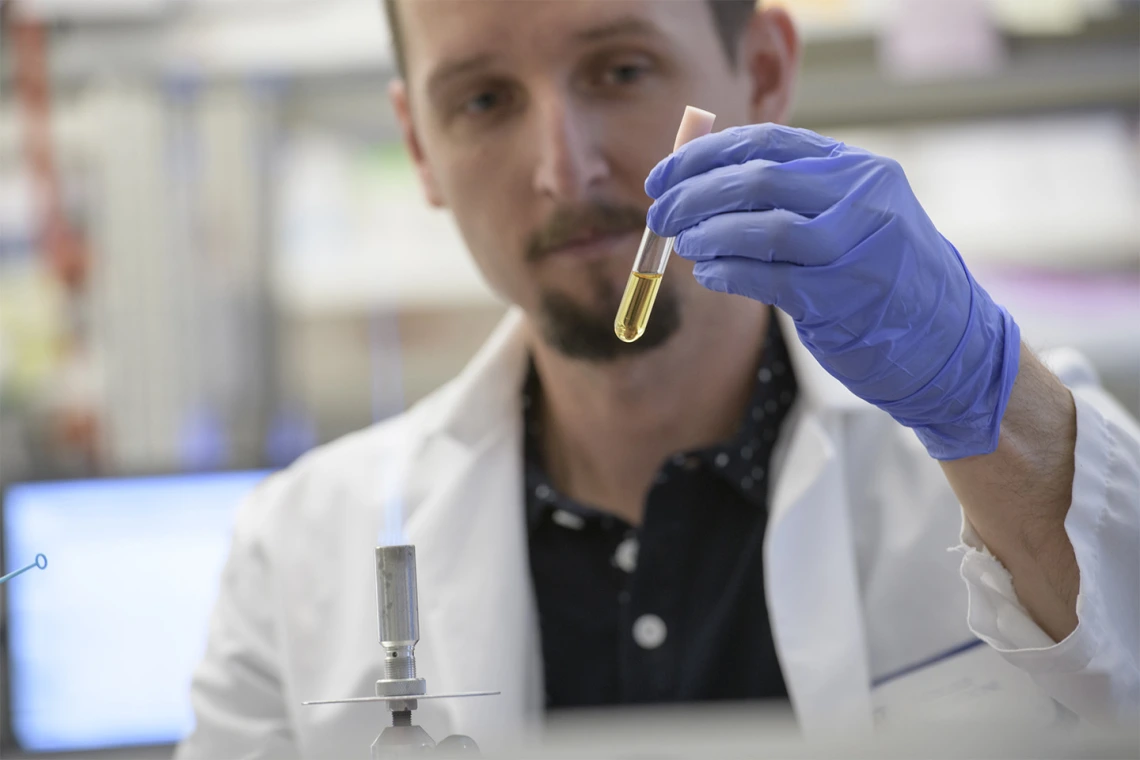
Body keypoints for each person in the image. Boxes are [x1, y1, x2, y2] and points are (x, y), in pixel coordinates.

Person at [176, 1, 1140, 757]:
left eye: (621, 69)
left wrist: (988, 395)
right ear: (419, 145)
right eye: (482, 99)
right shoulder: (294, 552)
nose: (566, 167)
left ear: (762, 72)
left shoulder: (1010, 441)